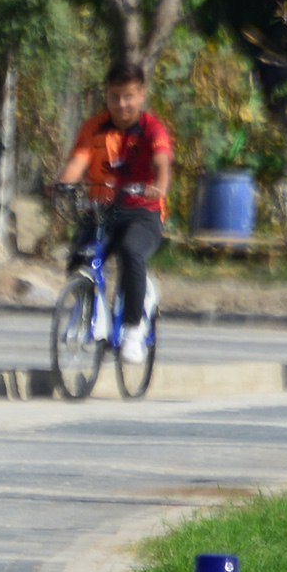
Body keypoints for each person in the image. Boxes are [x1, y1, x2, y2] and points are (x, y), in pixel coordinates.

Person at [56, 63, 174, 366]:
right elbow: (78, 161)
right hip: (103, 209)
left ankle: (134, 328)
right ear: (106, 97)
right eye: (114, 97)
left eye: (128, 96)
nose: (121, 104)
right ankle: (94, 317)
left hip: (142, 212)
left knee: (131, 251)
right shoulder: (94, 127)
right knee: (80, 258)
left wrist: (158, 187)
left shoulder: (152, 129)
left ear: (141, 95)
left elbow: (162, 165)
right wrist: (64, 185)